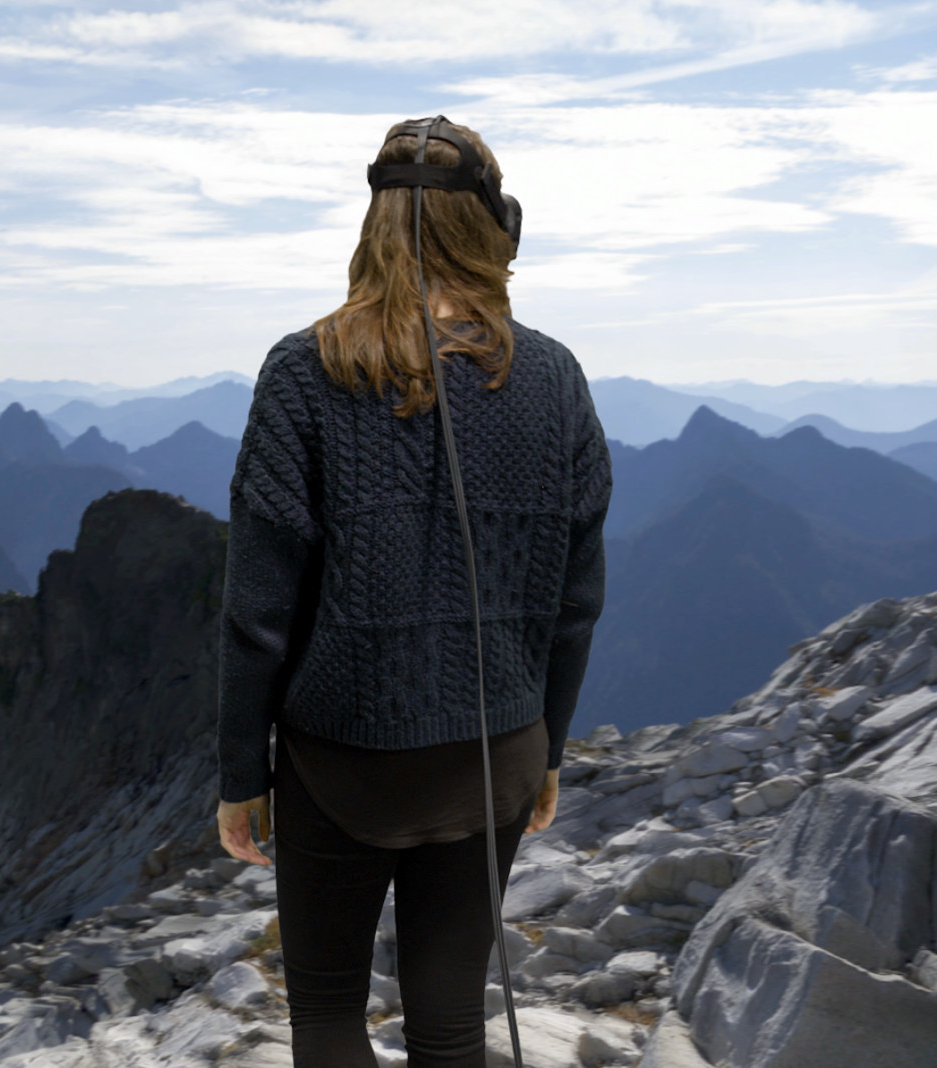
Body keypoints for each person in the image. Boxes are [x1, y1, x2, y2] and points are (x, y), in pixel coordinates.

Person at [213, 117, 612, 1068]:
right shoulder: (553, 377)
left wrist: (241, 777)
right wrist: (548, 750)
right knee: (449, 1022)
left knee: (325, 1014)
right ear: (497, 228)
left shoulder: (304, 372)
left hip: (346, 760)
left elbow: (257, 613)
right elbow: (576, 597)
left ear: (375, 222)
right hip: (498, 755)